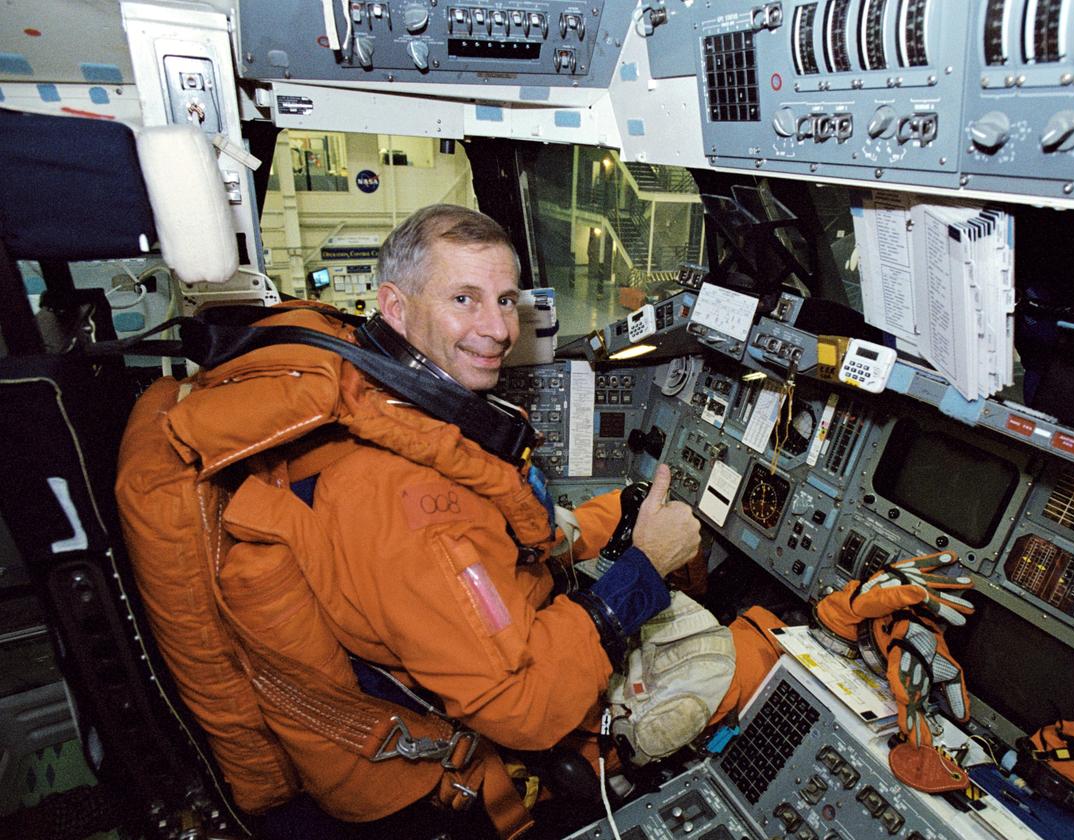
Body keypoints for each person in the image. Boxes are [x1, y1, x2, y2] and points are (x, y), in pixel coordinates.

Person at [117, 204, 782, 838]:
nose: (497, 329)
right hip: (445, 766)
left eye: (505, 299)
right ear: (395, 308)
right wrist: (643, 571)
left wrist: (612, 534)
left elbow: (486, 554)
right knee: (754, 655)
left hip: (454, 637)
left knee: (616, 518)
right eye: (463, 298)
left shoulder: (368, 401)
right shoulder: (407, 507)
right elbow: (523, 708)